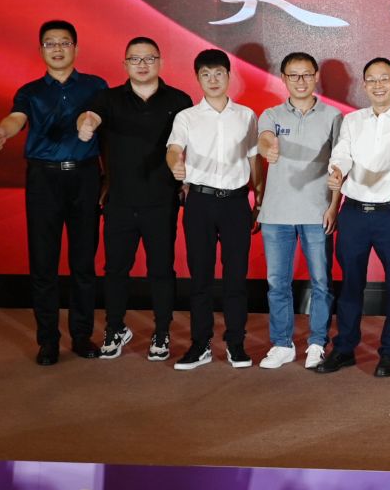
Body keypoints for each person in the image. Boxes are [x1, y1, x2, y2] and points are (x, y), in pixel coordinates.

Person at [0, 19, 108, 366]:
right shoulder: (30, 91)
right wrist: (3, 133)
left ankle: (81, 335)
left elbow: (101, 122)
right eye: (50, 43)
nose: (57, 49)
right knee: (44, 263)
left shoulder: (96, 86)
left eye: (64, 42)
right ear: (41, 50)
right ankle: (48, 341)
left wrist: (90, 128)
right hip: (44, 179)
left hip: (85, 176)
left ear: (76, 48)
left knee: (83, 262)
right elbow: (16, 117)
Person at [76, 36, 192, 362]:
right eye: (135, 59)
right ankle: (115, 328)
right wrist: (86, 125)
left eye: (149, 58)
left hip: (162, 199)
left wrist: (186, 180)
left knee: (161, 270)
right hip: (119, 200)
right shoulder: (108, 98)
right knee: (115, 269)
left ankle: (162, 331)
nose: (142, 65)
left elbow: (191, 143)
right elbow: (90, 117)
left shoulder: (179, 100)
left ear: (160, 62)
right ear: (125, 64)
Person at [318, 58, 390, 377]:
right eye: (371, 80)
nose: (378, 85)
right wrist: (337, 171)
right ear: (364, 85)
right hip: (355, 212)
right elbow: (342, 154)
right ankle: (344, 348)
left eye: (384, 79)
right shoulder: (352, 120)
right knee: (350, 284)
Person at [165, 49, 260, 370]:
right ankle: (200, 343)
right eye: (205, 74)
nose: (213, 79)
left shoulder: (246, 116)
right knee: (200, 277)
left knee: (236, 277)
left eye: (219, 73)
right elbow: (174, 149)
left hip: (236, 202)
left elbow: (253, 159)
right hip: (200, 203)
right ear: (197, 78)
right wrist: (175, 165)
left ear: (229, 75)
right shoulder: (187, 117)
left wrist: (259, 198)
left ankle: (236, 343)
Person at [255, 52, 343, 371]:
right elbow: (264, 138)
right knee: (277, 282)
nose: (301, 81)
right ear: (284, 79)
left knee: (321, 281)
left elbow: (340, 163)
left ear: (316, 76)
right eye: (293, 75)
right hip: (276, 214)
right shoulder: (271, 114)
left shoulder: (334, 116)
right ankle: (282, 344)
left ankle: (317, 342)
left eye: (306, 74)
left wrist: (333, 205)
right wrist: (269, 146)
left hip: (317, 212)